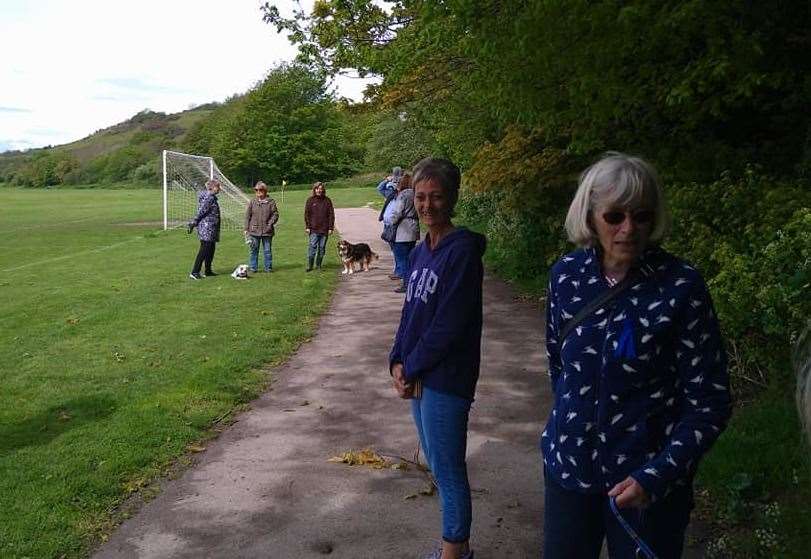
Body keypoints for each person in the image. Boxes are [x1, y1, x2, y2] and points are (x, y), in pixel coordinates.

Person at [541, 152, 732, 558]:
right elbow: (560, 366)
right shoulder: (566, 276)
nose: (629, 229)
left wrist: (657, 474)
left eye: (642, 216)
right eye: (615, 217)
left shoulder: (681, 286)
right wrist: (565, 438)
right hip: (569, 473)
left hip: (648, 489)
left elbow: (709, 402)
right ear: (591, 216)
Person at [389, 157, 485, 559]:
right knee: (436, 464)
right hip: (418, 374)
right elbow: (411, 312)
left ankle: (455, 549)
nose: (427, 206)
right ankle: (454, 545)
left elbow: (449, 324)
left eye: (436, 197)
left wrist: (411, 366)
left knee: (448, 468)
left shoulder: (460, 253)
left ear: (453, 198)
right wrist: (396, 360)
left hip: (447, 377)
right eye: (421, 198)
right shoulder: (420, 252)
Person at [386, 173, 420, 293]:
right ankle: (412, 282)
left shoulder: (403, 195)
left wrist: (390, 221)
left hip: (402, 230)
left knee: (402, 259)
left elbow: (396, 213)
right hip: (413, 228)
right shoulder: (416, 194)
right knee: (410, 258)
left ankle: (406, 284)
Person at [187, 179, 222, 280]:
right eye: (218, 187)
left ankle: (208, 270)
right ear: (212, 187)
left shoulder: (212, 198)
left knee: (211, 249)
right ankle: (195, 272)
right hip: (207, 228)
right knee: (204, 250)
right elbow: (201, 211)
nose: (219, 189)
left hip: (211, 228)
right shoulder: (209, 198)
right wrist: (193, 223)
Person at [244, 181, 279, 272]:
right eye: (256, 190)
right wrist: (246, 228)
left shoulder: (271, 202)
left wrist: (270, 224)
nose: (258, 192)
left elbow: (275, 215)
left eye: (260, 190)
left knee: (267, 251)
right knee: (253, 250)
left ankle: (268, 268)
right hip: (254, 231)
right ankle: (253, 268)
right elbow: (247, 216)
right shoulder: (252, 202)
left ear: (265, 191)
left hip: (267, 231)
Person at [304, 181, 335, 271]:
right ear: (314, 189)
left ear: (323, 190)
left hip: (324, 230)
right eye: (317, 189)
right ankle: (310, 266)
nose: (319, 190)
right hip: (313, 229)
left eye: (321, 189)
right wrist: (307, 227)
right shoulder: (310, 200)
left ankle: (318, 266)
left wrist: (330, 228)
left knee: (322, 249)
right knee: (312, 248)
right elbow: (306, 215)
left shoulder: (327, 200)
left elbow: (331, 215)